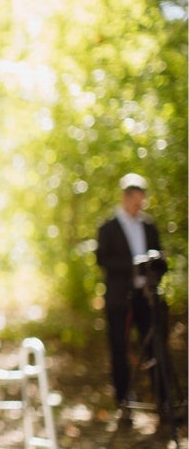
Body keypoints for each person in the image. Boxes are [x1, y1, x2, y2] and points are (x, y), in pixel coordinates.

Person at [96, 172, 166, 418]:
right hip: (119, 299)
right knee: (119, 349)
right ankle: (124, 401)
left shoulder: (148, 225)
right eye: (136, 200)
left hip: (146, 297)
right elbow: (102, 259)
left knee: (156, 346)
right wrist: (134, 264)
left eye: (142, 200)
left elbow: (159, 257)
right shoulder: (108, 227)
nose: (139, 205)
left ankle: (163, 400)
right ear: (125, 198)